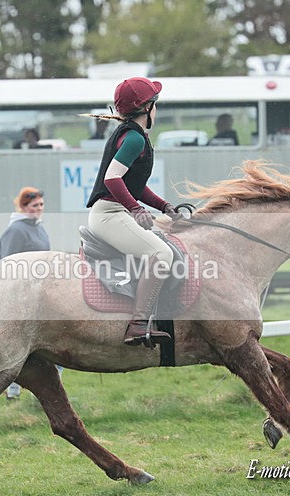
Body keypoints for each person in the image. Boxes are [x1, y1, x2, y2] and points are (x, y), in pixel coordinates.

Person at [85, 77, 182, 347]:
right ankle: (138, 325)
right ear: (147, 107)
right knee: (161, 254)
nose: (157, 109)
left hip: (115, 212)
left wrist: (164, 206)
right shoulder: (133, 139)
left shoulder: (133, 136)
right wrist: (136, 209)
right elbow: (112, 180)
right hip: (109, 214)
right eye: (156, 103)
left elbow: (134, 185)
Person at [0, 187, 53, 399]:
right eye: (34, 206)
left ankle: (40, 393)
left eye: (41, 205)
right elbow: (8, 262)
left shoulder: (39, 227)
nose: (39, 209)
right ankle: (14, 388)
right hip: (21, 294)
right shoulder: (16, 230)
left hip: (39, 291)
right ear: (23, 207)